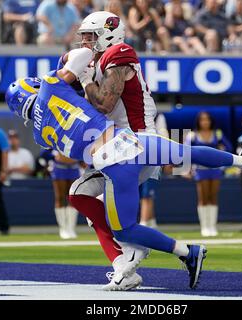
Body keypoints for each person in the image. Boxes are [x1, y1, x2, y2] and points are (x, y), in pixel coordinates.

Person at [4, 52, 242, 290]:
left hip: (114, 161)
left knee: (124, 230)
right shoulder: (50, 83)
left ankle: (180, 252)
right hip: (130, 139)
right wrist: (69, 63)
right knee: (187, 153)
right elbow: (81, 59)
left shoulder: (39, 135)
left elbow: (70, 134)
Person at [68, 11, 161, 291]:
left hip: (136, 143)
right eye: (83, 35)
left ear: (109, 33)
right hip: (115, 145)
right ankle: (124, 260)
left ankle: (130, 250)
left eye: (90, 35)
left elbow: (105, 103)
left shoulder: (119, 53)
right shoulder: (96, 60)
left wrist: (84, 80)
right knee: (83, 198)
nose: (85, 40)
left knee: (102, 208)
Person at [185, 112, 232, 237]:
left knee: (213, 197)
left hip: (215, 169)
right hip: (200, 169)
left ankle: (212, 226)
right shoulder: (193, 135)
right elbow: (185, 152)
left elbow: (229, 148)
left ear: (211, 121)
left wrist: (221, 158)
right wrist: (187, 169)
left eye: (207, 120)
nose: (205, 122)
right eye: (202, 120)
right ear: (198, 122)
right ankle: (204, 227)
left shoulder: (218, 133)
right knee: (203, 198)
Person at [41, 149, 80, 239]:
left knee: (73, 198)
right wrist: (52, 156)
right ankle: (63, 229)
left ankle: (71, 228)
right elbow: (44, 150)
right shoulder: (57, 134)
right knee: (60, 197)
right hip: (59, 168)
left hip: (74, 168)